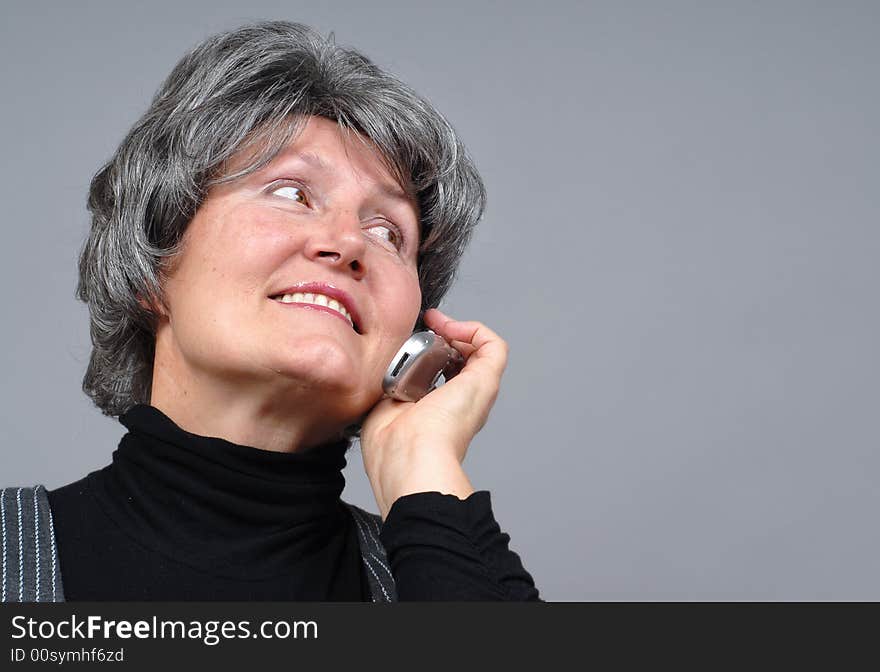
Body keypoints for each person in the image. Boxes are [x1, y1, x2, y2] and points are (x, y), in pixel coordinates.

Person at [1, 20, 540, 601]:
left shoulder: (439, 573)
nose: (348, 244)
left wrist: (422, 467)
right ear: (152, 266)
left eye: (388, 231)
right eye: (292, 193)